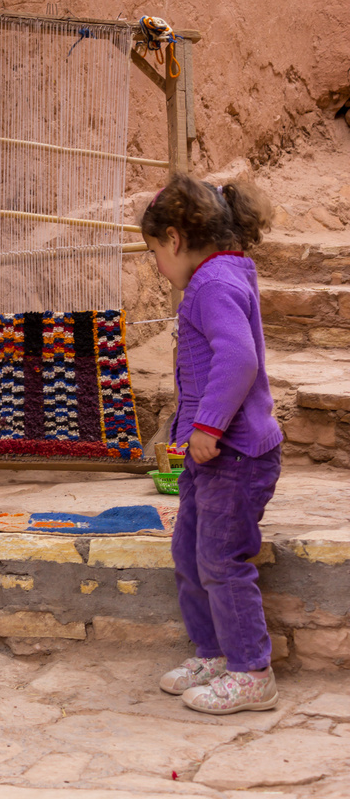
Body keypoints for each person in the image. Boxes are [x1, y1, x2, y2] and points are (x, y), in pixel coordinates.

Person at [141, 173, 282, 715]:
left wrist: (208, 427)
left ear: (175, 239)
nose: (157, 265)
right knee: (190, 552)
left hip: (237, 455)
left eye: (155, 251)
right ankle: (214, 653)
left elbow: (239, 359)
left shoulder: (214, 285)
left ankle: (252, 672)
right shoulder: (218, 277)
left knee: (222, 560)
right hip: (217, 457)